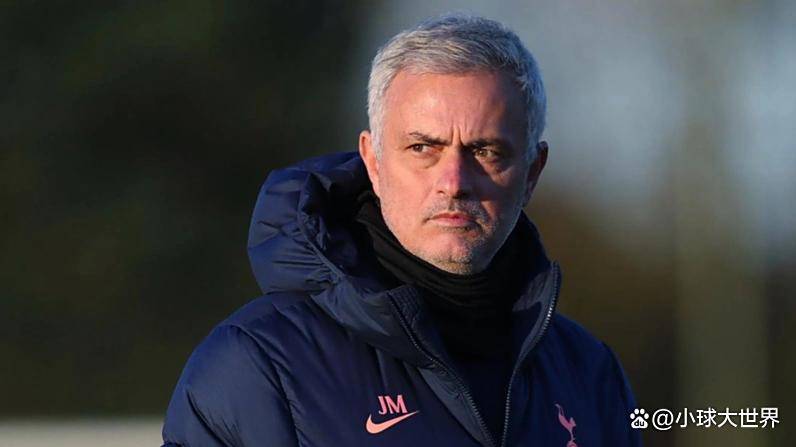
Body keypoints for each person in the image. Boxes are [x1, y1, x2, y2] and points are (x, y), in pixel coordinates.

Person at [162, 14, 641, 447]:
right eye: (422, 148)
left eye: (485, 151)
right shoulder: (254, 368)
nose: (453, 182)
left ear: (533, 171)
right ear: (373, 161)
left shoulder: (591, 376)